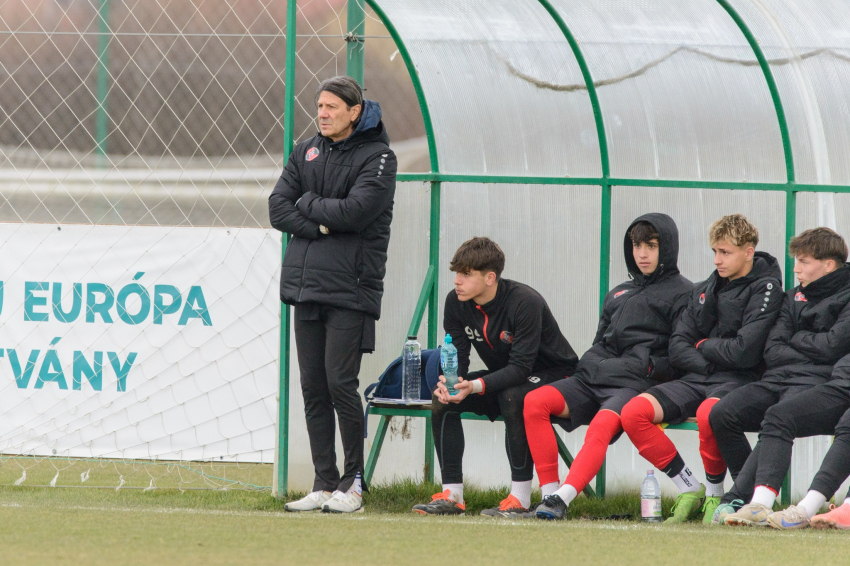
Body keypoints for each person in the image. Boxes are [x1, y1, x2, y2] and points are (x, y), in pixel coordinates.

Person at [269, 76, 397, 513]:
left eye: (331, 107)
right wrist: (322, 221)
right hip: (305, 288)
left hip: (349, 289)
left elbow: (357, 211)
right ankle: (324, 482)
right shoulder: (305, 149)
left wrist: (307, 205)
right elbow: (276, 207)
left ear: (354, 111)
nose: (322, 113)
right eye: (319, 106)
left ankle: (353, 485)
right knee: (312, 386)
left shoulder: (379, 157)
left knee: (341, 384)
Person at [524, 213, 692, 520]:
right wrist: (589, 363)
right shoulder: (617, 292)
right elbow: (599, 340)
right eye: (637, 245)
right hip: (593, 378)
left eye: (651, 246)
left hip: (635, 385)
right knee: (534, 401)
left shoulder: (685, 292)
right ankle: (549, 494)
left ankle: (563, 499)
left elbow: (679, 353)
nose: (642, 253)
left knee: (602, 425)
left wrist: (649, 368)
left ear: (666, 248)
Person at [620, 213, 782, 523]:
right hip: (698, 377)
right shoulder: (704, 289)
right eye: (715, 252)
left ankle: (715, 494)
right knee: (633, 413)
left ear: (748, 252)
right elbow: (678, 345)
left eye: (726, 252)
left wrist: (703, 345)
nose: (718, 260)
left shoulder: (767, 289)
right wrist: (707, 360)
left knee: (710, 415)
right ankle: (689, 487)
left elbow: (745, 352)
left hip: (738, 381)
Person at [411, 237, 578, 517]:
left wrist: (475, 386)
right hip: (507, 375)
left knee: (513, 397)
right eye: (456, 273)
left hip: (555, 375)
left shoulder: (525, 301)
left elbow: (522, 368)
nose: (457, 281)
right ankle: (452, 497)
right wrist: (451, 384)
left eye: (466, 274)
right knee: (444, 401)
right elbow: (459, 357)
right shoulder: (456, 302)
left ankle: (520, 499)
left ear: (490, 278)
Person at [706, 228, 850, 525]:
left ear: (829, 265)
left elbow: (834, 347)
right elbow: (772, 350)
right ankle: (746, 497)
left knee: (779, 416)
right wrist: (812, 343)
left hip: (818, 381)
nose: (795, 269)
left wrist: (797, 339)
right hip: (777, 377)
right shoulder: (792, 295)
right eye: (796, 260)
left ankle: (746, 500)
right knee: (722, 413)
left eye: (804, 261)